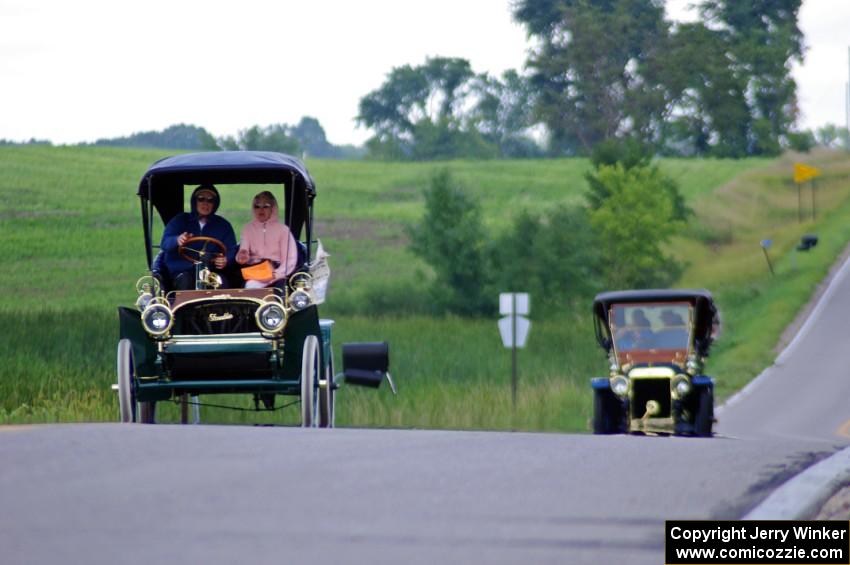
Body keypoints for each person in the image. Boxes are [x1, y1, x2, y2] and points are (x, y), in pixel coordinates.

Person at [160, 184, 237, 290]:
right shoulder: (180, 220)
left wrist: (226, 259)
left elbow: (232, 249)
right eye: (201, 199)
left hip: (211, 271)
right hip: (183, 270)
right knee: (185, 282)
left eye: (210, 200)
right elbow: (165, 243)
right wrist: (177, 240)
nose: (205, 203)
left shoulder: (223, 225)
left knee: (222, 283)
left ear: (215, 204)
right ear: (194, 201)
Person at [236, 191, 300, 291]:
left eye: (265, 206)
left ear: (272, 208)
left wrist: (276, 274)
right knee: (247, 287)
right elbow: (243, 252)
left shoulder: (283, 230)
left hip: (277, 272)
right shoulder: (248, 229)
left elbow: (289, 260)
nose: (261, 210)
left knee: (281, 289)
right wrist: (243, 255)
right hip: (256, 271)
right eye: (257, 206)